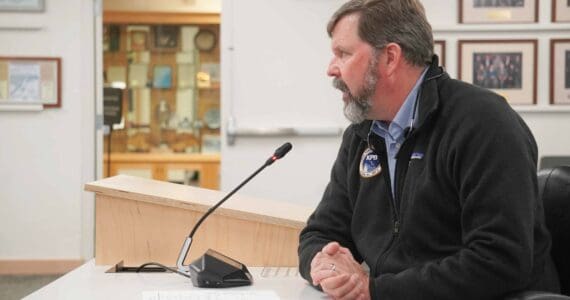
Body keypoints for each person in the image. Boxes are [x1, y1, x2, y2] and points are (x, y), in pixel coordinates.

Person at [297, 1, 560, 299]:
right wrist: (326, 265)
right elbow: (320, 233)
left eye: (343, 54)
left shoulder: (484, 124)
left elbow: (500, 260)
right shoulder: (363, 134)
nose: (331, 69)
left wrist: (376, 290)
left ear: (390, 58)